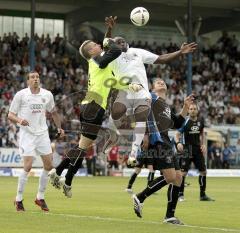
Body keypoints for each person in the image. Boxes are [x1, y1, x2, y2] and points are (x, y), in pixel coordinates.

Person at [103, 16, 197, 165]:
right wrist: (109, 29)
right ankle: (113, 136)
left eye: (122, 41)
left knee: (141, 115)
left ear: (127, 43)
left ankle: (134, 152)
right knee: (116, 112)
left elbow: (162, 59)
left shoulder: (137, 52)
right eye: (116, 42)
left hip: (141, 92)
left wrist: (180, 52)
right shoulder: (112, 55)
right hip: (125, 90)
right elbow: (107, 43)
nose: (119, 43)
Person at [48, 39, 136, 197]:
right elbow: (115, 51)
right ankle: (62, 176)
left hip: (91, 107)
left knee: (82, 148)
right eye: (96, 45)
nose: (99, 45)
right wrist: (110, 41)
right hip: (93, 106)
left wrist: (129, 86)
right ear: (91, 52)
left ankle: (63, 177)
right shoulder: (96, 60)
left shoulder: (101, 64)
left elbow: (113, 82)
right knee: (82, 148)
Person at [132, 78, 194, 225]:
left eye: (163, 81)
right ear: (153, 88)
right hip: (157, 141)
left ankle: (170, 216)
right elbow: (141, 111)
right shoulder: (151, 97)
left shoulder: (165, 105)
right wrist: (145, 134)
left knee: (178, 177)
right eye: (158, 82)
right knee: (172, 176)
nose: (161, 82)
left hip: (167, 142)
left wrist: (185, 107)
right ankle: (140, 197)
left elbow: (178, 123)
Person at [8, 71, 64, 211]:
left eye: (37, 77)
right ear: (28, 81)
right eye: (32, 77)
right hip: (27, 135)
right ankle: (19, 199)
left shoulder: (47, 94)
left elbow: (54, 112)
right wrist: (20, 120)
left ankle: (40, 197)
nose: (35, 79)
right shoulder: (21, 95)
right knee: (27, 166)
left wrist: (59, 128)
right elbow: (10, 115)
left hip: (42, 134)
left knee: (49, 165)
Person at [175, 103, 214, 201]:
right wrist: (178, 143)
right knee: (183, 173)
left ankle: (202, 195)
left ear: (197, 110)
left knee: (203, 172)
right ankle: (180, 195)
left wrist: (204, 144)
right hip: (187, 150)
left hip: (197, 150)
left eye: (194, 109)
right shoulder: (185, 121)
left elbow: (202, 134)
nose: (192, 110)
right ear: (188, 111)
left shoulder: (201, 121)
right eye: (191, 109)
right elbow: (177, 134)